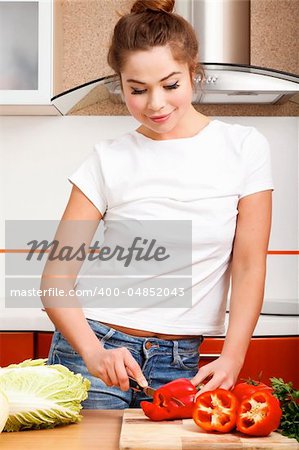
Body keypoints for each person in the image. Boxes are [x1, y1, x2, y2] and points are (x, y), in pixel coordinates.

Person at [42, 0, 274, 410]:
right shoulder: (106, 159)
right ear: (121, 84)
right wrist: (95, 354)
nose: (155, 104)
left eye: (170, 85)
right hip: (94, 354)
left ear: (193, 71)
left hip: (180, 364)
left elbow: (249, 263)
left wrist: (234, 355)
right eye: (137, 89)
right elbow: (55, 278)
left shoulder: (244, 148)